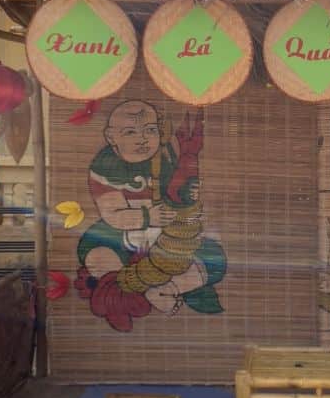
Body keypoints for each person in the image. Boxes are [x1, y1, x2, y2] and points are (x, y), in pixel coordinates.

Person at [76, 100, 225, 325]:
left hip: (167, 239)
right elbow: (112, 212)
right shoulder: (106, 165)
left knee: (214, 258)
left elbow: (178, 192)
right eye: (130, 132)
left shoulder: (166, 155)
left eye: (150, 130)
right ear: (111, 137)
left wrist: (187, 192)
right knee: (96, 254)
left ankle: (166, 289)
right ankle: (144, 292)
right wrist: (147, 217)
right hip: (122, 235)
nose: (143, 139)